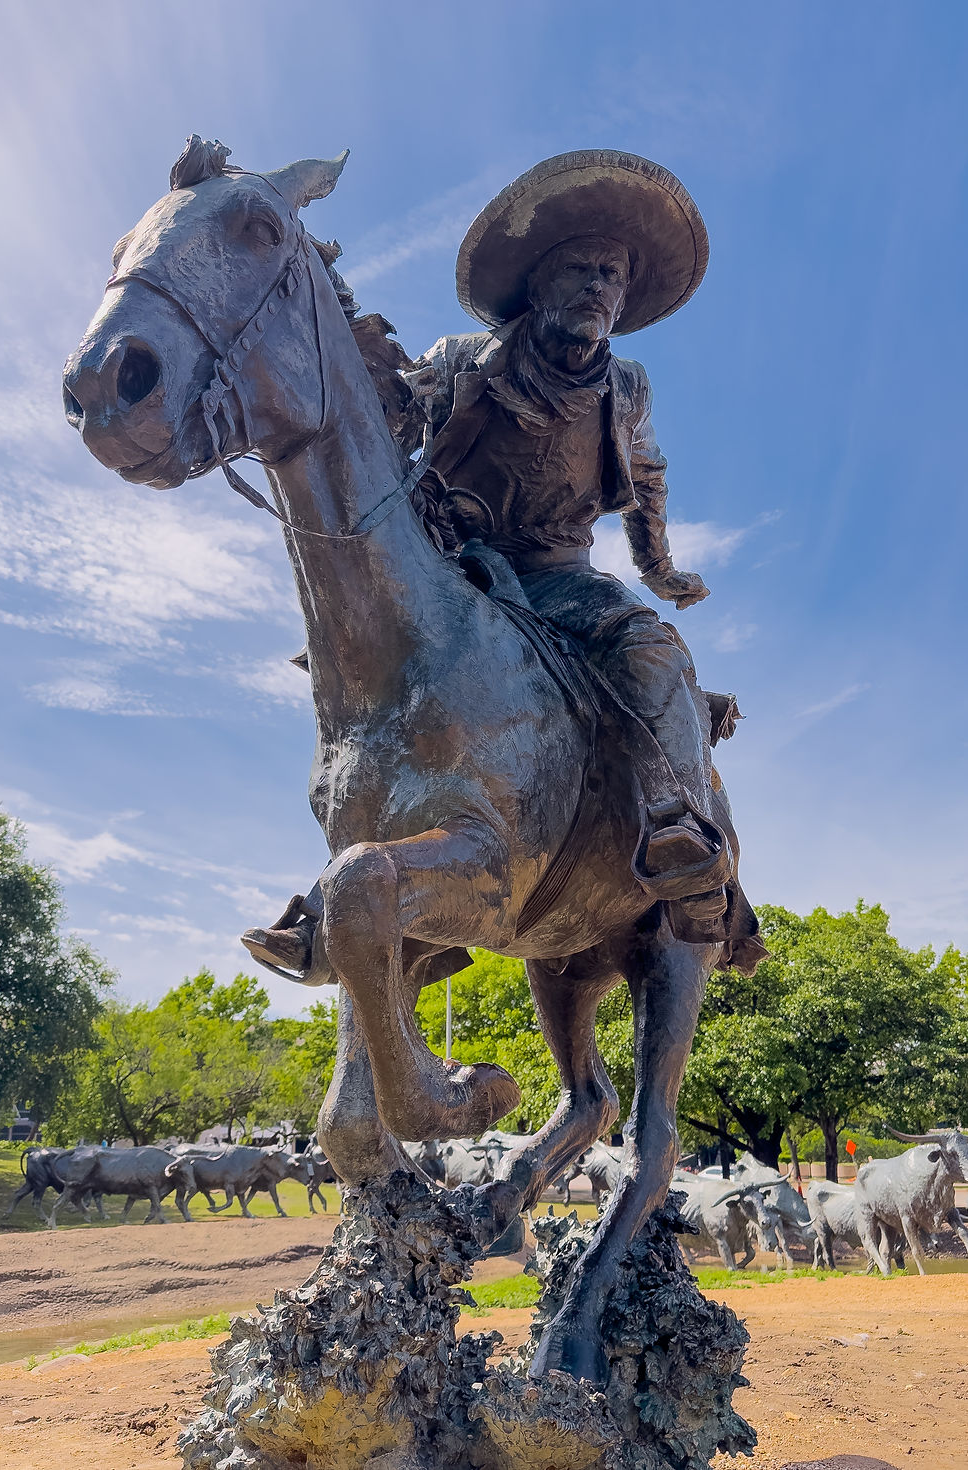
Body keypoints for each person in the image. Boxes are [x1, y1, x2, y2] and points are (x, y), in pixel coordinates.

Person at [244, 151, 762, 977]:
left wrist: (658, 569)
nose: (600, 286)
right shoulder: (462, 359)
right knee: (369, 690)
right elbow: (390, 419)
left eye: (613, 276)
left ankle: (682, 832)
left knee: (652, 649)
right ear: (539, 284)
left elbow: (648, 482)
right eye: (582, 269)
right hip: (455, 568)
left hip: (560, 575)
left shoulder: (625, 388)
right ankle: (343, 904)